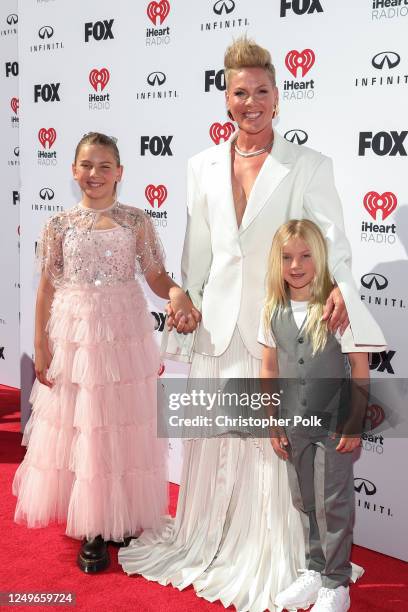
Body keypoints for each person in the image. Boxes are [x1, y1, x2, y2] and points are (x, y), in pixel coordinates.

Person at [119, 38, 385, 611]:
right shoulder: (201, 166)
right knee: (218, 442)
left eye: (262, 91)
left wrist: (340, 286)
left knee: (275, 444)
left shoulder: (308, 166)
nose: (251, 102)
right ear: (226, 100)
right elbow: (198, 249)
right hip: (216, 326)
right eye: (241, 92)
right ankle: (211, 538)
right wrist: (183, 305)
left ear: (278, 97)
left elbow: (333, 242)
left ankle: (293, 559)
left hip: (277, 330)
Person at [12, 132, 198, 573]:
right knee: (88, 426)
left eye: (103, 166)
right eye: (85, 165)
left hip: (124, 331)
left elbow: (155, 276)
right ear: (74, 170)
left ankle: (122, 517)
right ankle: (93, 529)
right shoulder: (58, 224)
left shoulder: (137, 221)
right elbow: (45, 289)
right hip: (77, 334)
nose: (94, 174)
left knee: (122, 424)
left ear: (120, 172)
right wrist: (41, 344)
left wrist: (177, 295)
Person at [259, 219, 384, 612]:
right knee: (304, 500)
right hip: (293, 425)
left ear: (321, 256)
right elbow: (268, 368)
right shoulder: (272, 309)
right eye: (287, 257)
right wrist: (273, 420)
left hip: (333, 427)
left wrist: (353, 422)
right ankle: (314, 569)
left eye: (306, 255)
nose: (296, 265)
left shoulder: (338, 307)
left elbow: (360, 370)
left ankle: (336, 580)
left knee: (333, 502)